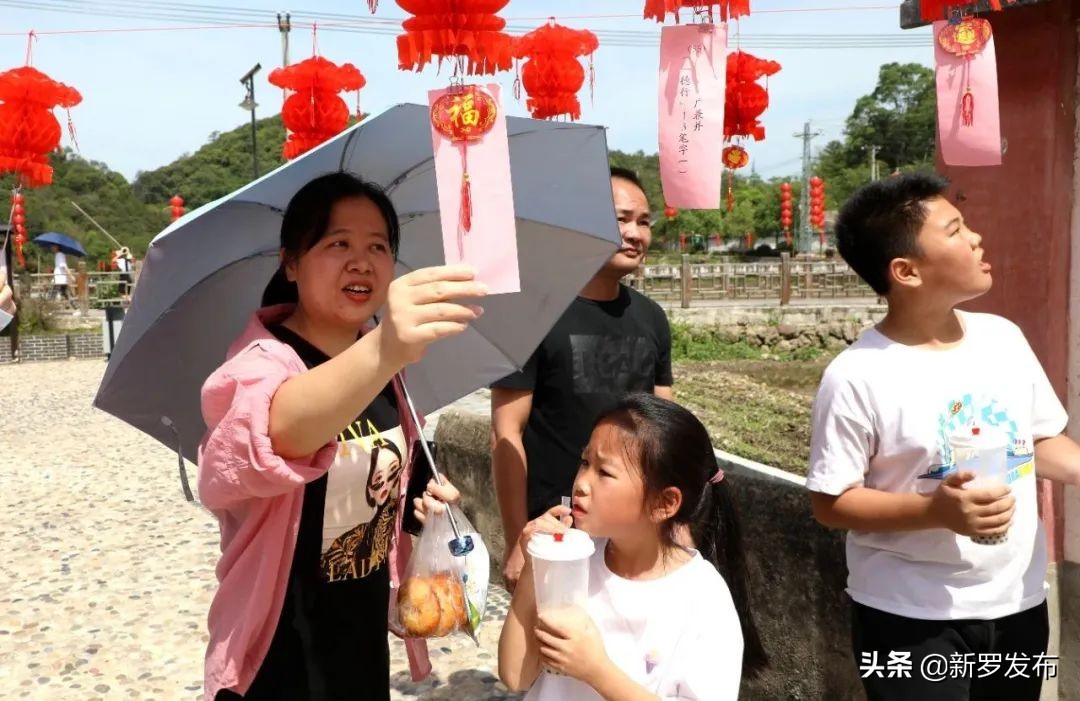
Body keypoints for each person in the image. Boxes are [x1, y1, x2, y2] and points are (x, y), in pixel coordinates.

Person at [198, 172, 488, 700]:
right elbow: (275, 438)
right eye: (338, 244)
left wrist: (426, 504)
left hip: (359, 639)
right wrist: (385, 348)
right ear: (291, 263)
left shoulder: (387, 368)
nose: (362, 262)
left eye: (378, 246)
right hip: (279, 650)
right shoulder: (262, 364)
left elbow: (388, 481)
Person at [807, 173, 1080, 701]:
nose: (976, 238)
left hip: (1018, 602)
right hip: (909, 615)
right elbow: (830, 501)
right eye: (955, 230)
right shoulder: (856, 375)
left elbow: (1038, 440)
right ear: (906, 271)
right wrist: (935, 512)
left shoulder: (1003, 338)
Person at [498, 393, 767, 700]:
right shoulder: (571, 559)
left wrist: (597, 671)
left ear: (664, 503)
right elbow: (515, 675)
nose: (581, 483)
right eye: (585, 462)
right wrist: (535, 566)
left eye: (604, 472)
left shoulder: (702, 598)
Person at [491, 166, 673, 591]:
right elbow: (505, 433)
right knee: (552, 630)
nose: (635, 234)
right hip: (556, 526)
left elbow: (665, 426)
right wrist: (517, 538)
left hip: (633, 526)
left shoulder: (652, 318)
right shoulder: (531, 315)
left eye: (644, 222)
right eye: (621, 219)